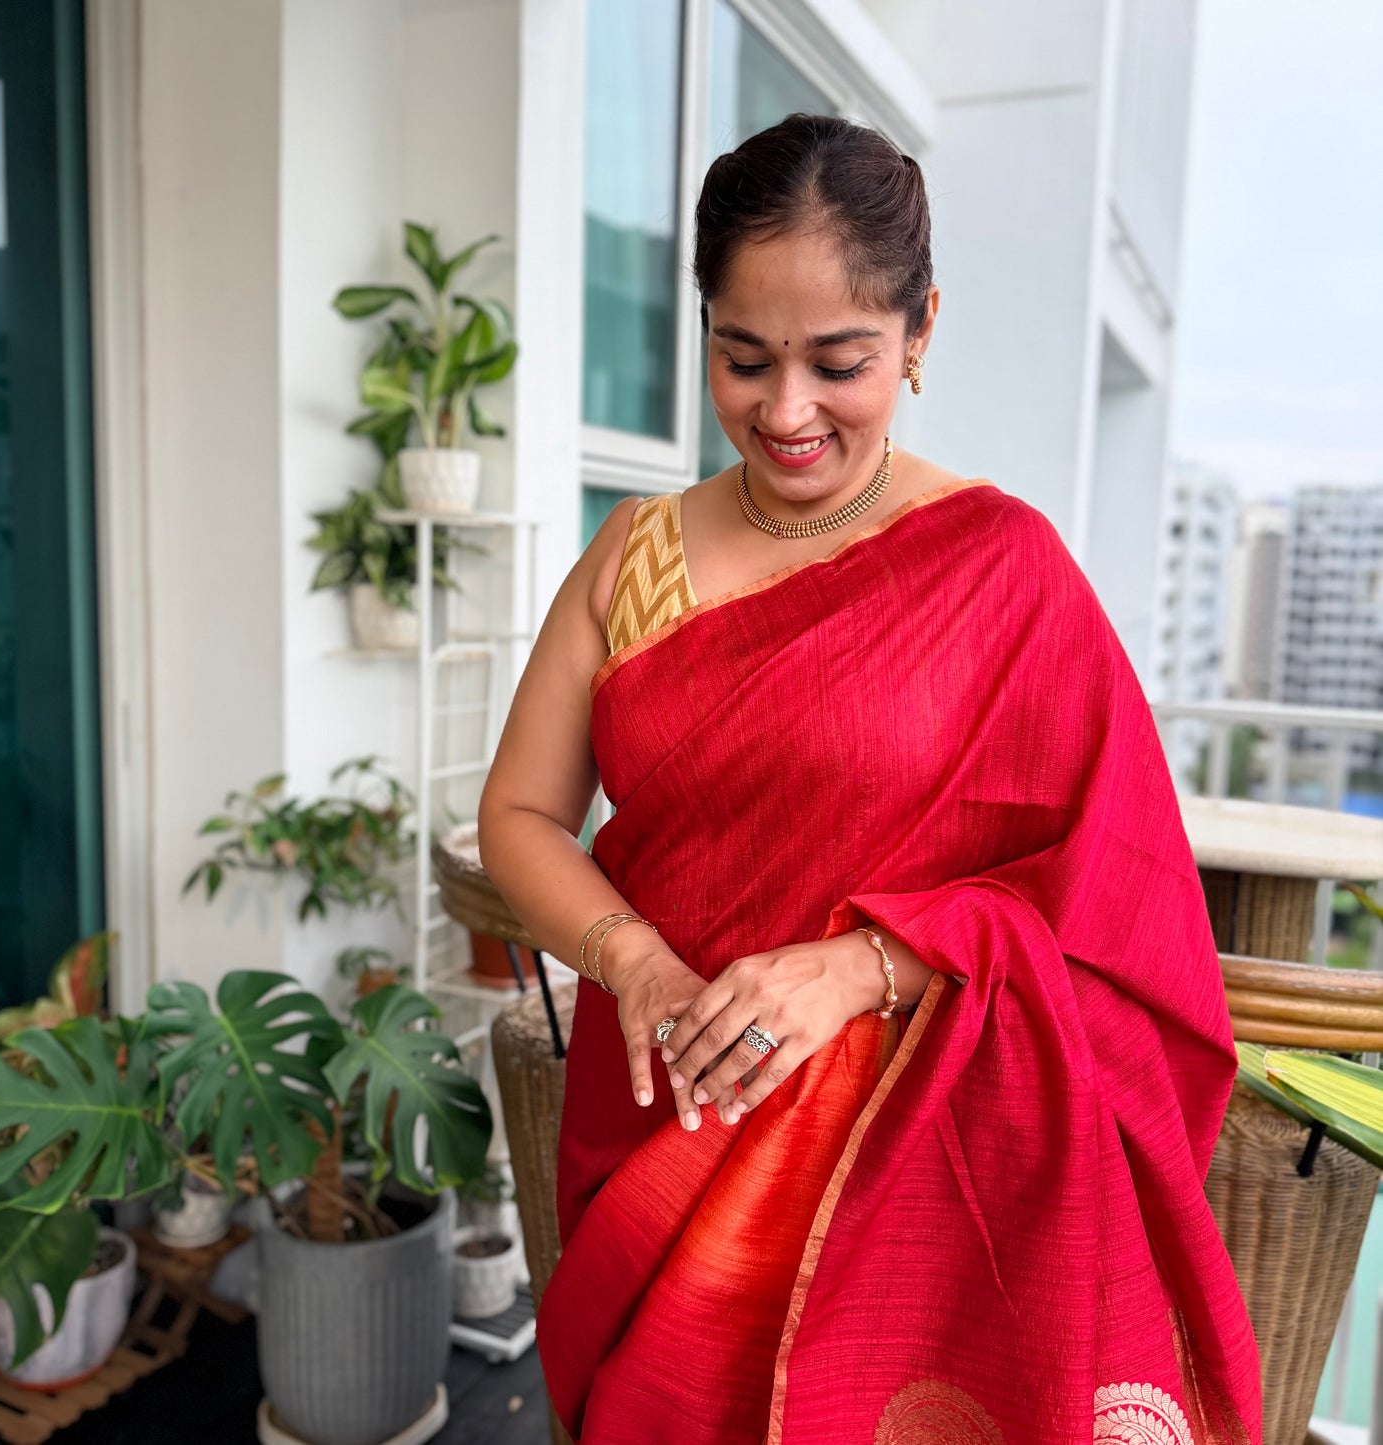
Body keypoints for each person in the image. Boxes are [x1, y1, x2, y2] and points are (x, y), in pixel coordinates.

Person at [476, 113, 1262, 1445]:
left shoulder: (1002, 571)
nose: (784, 411)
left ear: (919, 331)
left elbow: (1116, 907)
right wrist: (636, 960)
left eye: (837, 362)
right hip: (676, 1113)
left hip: (926, 1160)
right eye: (742, 358)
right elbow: (519, 814)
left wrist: (864, 965)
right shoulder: (638, 557)